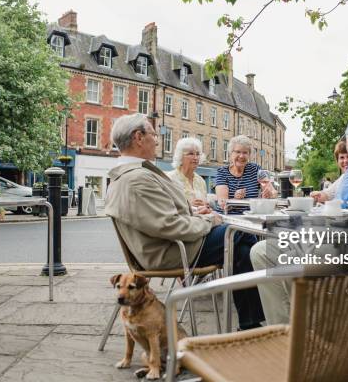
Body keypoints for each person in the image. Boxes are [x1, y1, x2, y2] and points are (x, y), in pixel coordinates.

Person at [105, 114, 264, 330]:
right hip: (171, 251)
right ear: (138, 137)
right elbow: (170, 226)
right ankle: (253, 318)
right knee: (240, 233)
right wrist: (209, 221)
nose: (157, 140)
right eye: (153, 134)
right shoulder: (136, 179)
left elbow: (169, 218)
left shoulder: (133, 174)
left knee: (241, 244)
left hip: (172, 244)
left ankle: (250, 322)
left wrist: (203, 217)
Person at [249, 115, 348, 325]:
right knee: (263, 251)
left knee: (270, 254)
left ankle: (296, 333)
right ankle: (290, 330)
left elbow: (340, 211)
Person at [215, 135, 276, 213]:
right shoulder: (222, 172)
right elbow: (222, 205)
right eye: (238, 152)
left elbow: (273, 192)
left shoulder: (255, 169)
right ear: (231, 153)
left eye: (245, 152)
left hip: (251, 216)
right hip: (228, 217)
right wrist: (235, 200)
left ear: (249, 155)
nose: (241, 156)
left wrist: (270, 194)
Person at [167, 137, 209, 212]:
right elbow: (165, 206)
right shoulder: (169, 178)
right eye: (191, 154)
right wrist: (188, 206)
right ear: (180, 156)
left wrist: (205, 206)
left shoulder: (201, 181)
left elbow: (205, 205)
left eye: (198, 154)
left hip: (200, 221)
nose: (195, 158)